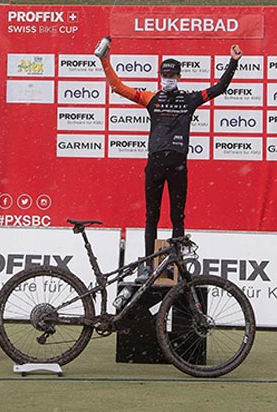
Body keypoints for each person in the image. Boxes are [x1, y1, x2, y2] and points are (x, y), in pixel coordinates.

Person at [97, 40, 242, 266]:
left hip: (176, 165)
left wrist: (233, 62)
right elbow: (118, 87)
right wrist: (104, 60)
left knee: (177, 217)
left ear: (179, 77)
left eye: (172, 75)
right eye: (166, 75)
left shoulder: (189, 99)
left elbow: (220, 88)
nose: (169, 79)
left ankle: (177, 264)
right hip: (159, 165)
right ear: (160, 76)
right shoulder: (151, 98)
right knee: (152, 217)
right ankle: (148, 265)